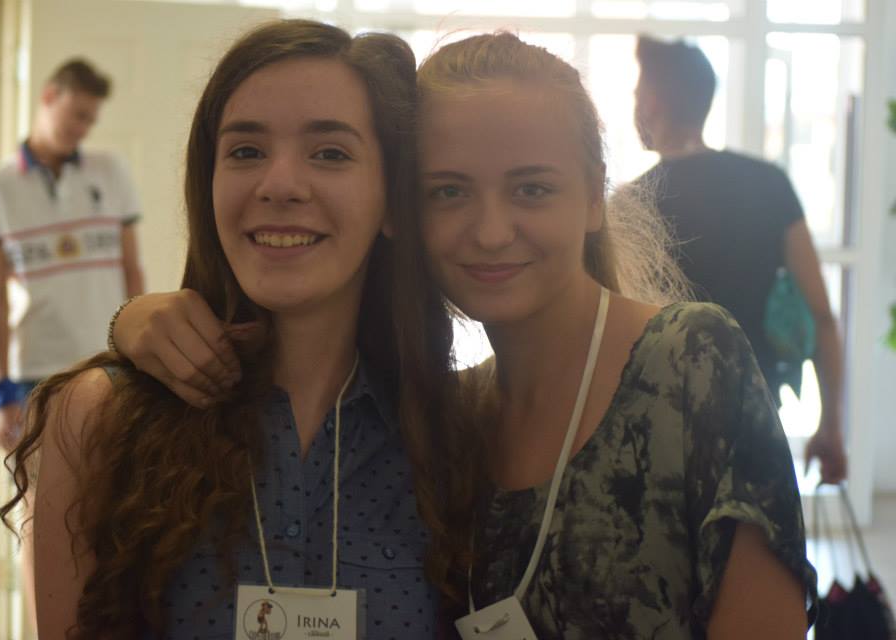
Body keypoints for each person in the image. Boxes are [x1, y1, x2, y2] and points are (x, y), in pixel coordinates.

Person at [110, 32, 817, 638]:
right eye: (448, 191)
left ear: (593, 195)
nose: (490, 231)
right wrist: (132, 322)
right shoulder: (445, 415)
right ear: (403, 212)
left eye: (531, 189)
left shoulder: (689, 363)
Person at [0, 21, 454, 638]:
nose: (279, 185)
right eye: (246, 152)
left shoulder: (449, 435)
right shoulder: (96, 418)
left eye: (330, 153)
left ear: (393, 201)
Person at [633, 35, 847, 485]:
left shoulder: (633, 205)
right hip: (755, 420)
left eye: (637, 92)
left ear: (652, 100)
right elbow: (823, 317)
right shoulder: (768, 183)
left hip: (662, 430)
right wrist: (830, 427)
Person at [0, 58, 144, 452]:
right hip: (35, 372)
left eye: (91, 120)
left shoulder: (112, 172)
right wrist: (1, 393)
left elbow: (132, 270)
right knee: (37, 485)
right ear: (50, 96)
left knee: (110, 480)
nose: (83, 128)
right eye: (78, 114)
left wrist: (138, 355)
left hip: (107, 363)